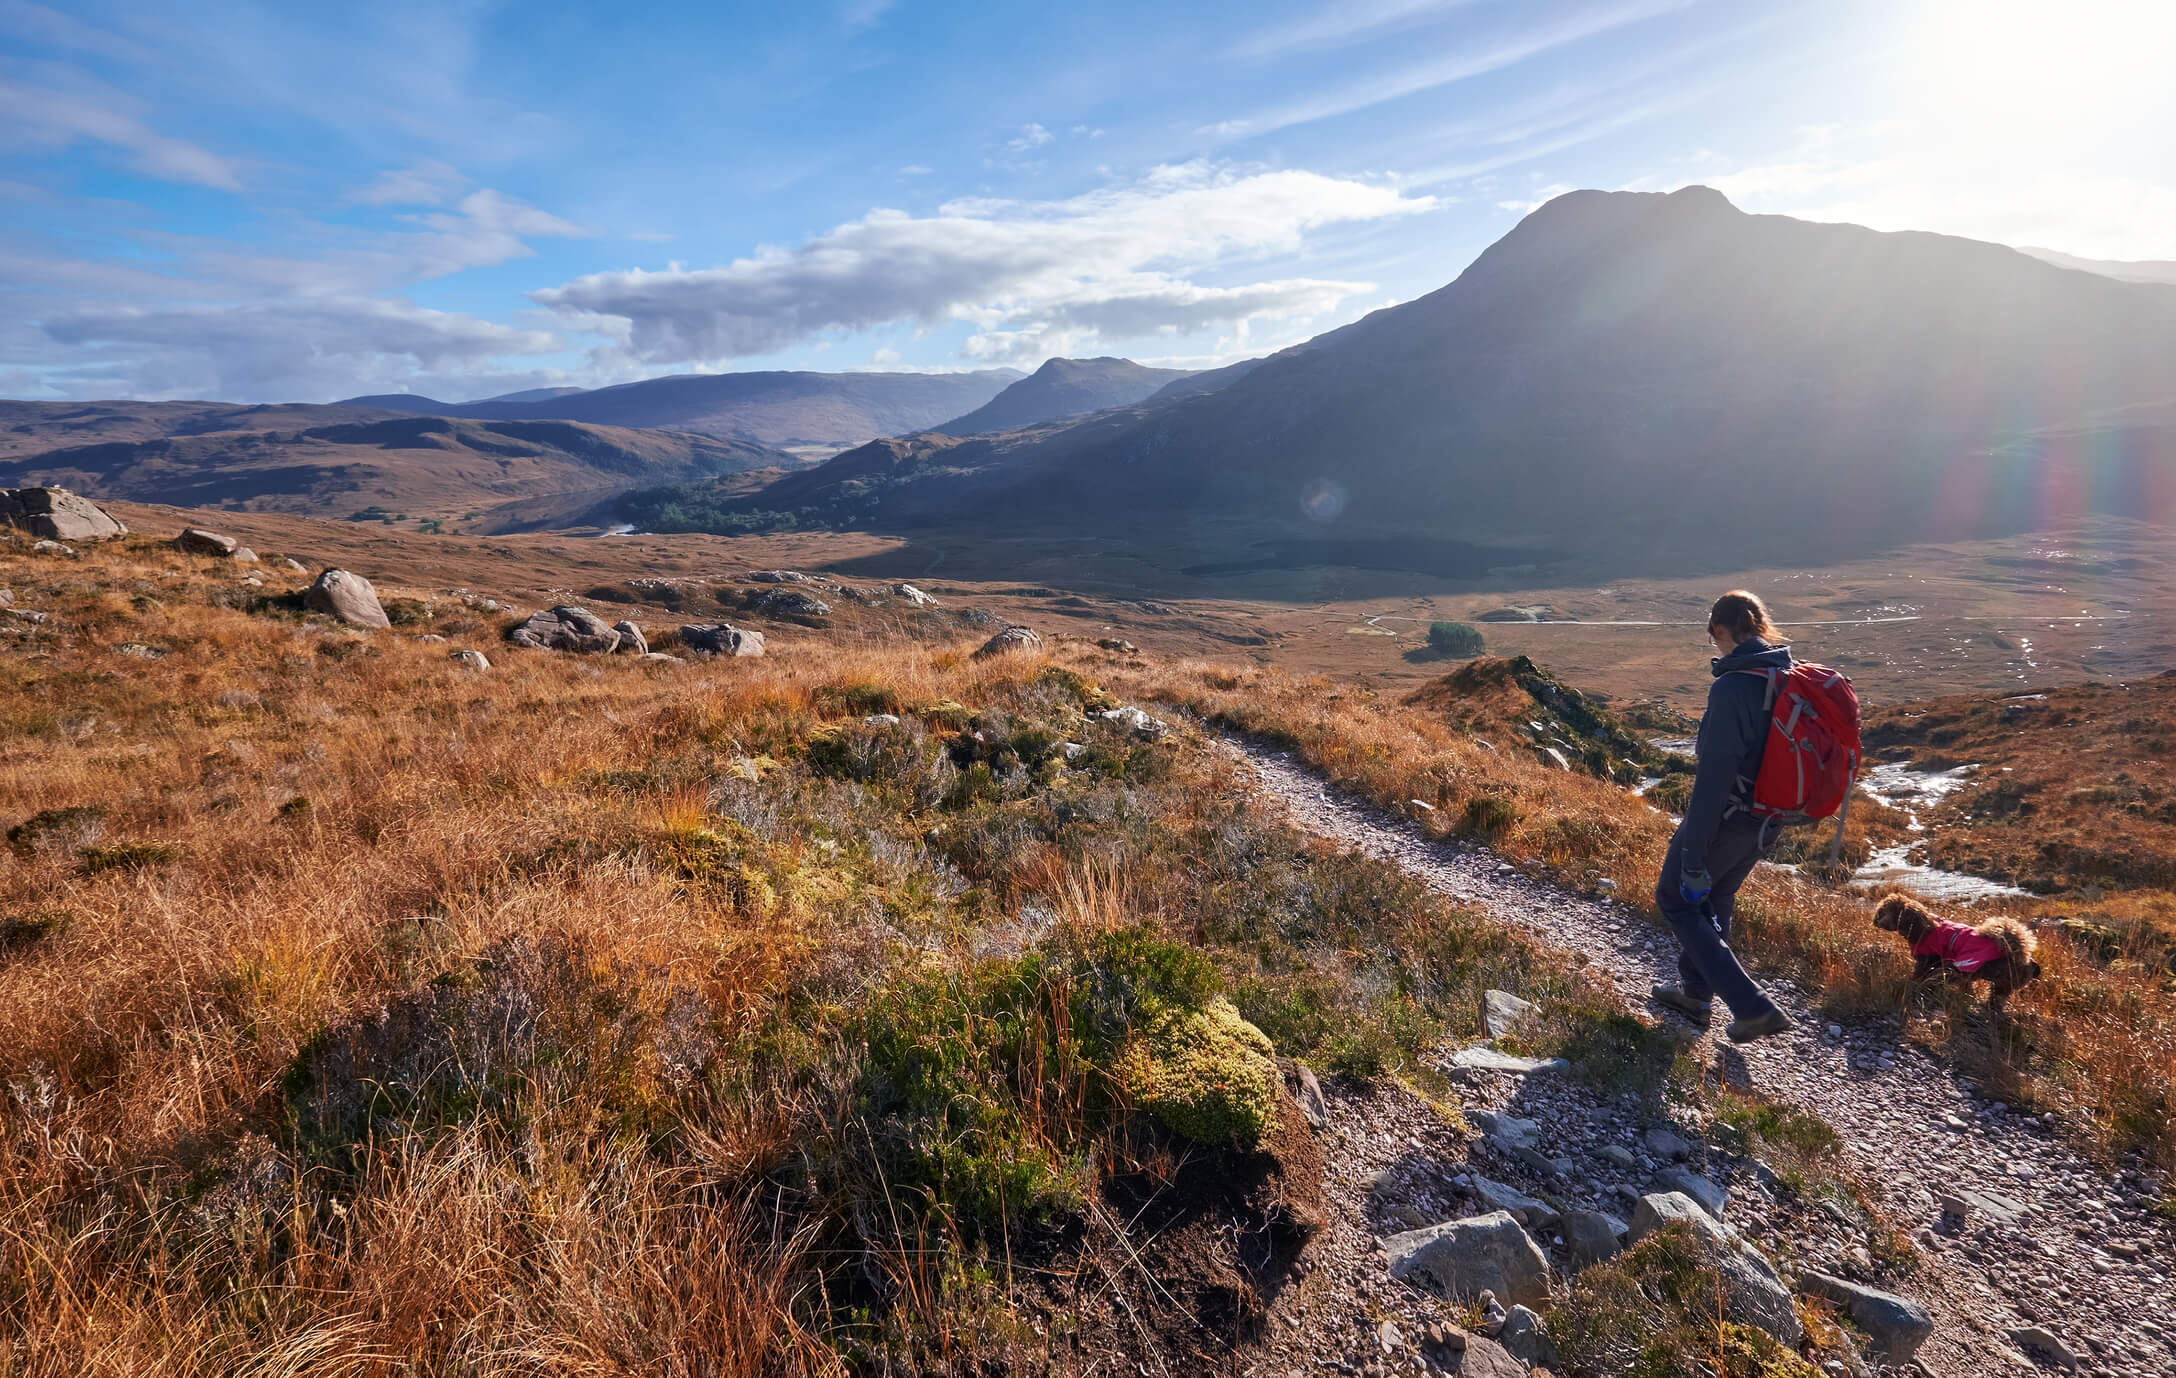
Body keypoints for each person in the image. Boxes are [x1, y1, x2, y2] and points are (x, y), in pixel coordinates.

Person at [1650, 590, 1796, 1043]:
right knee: (1715, 899)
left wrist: (1694, 851)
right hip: (1768, 821)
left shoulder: (1733, 686)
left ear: (1719, 629)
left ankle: (1752, 1006)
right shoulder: (1786, 675)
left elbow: (1714, 778)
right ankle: (1696, 995)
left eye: (1712, 636)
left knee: (1676, 899)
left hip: (1729, 818)